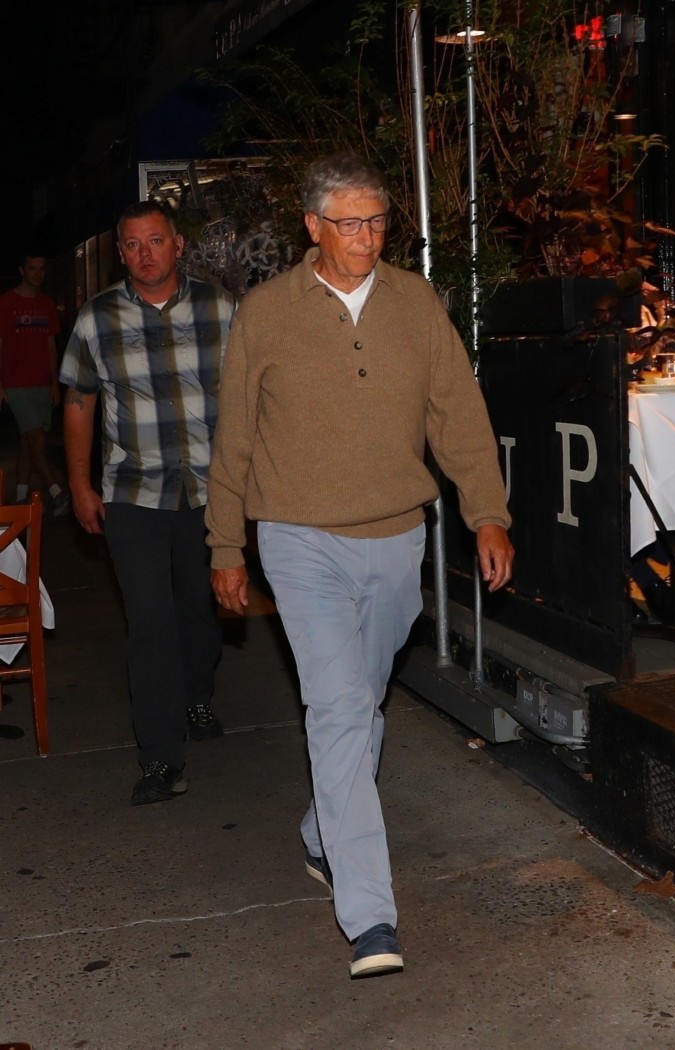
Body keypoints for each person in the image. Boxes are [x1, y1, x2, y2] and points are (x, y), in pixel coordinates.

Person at [206, 153, 514, 978]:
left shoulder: (416, 303)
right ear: (311, 227)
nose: (364, 237)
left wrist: (488, 513)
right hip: (298, 539)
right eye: (347, 222)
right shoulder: (267, 313)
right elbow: (234, 436)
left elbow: (459, 416)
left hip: (396, 536)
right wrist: (226, 544)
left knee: (364, 701)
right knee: (339, 708)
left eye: (376, 221)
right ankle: (371, 917)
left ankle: (320, 832)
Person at [59, 201, 236, 805]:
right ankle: (161, 758)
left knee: (200, 610)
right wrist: (81, 485)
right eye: (133, 245)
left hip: (211, 493)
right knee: (150, 623)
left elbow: (253, 396)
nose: (145, 254)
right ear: (121, 252)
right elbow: (79, 401)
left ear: (178, 244)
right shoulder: (97, 318)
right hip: (133, 493)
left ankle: (196, 696)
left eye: (155, 241)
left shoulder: (220, 307)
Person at [0, 252, 70, 514]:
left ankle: (19, 499)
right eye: (32, 268)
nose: (37, 274)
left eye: (41, 268)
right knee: (37, 440)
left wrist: (54, 383)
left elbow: (51, 345)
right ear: (22, 270)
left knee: (27, 442)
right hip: (16, 383)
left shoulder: (46, 304)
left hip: (41, 382)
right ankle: (57, 492)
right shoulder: (5, 303)